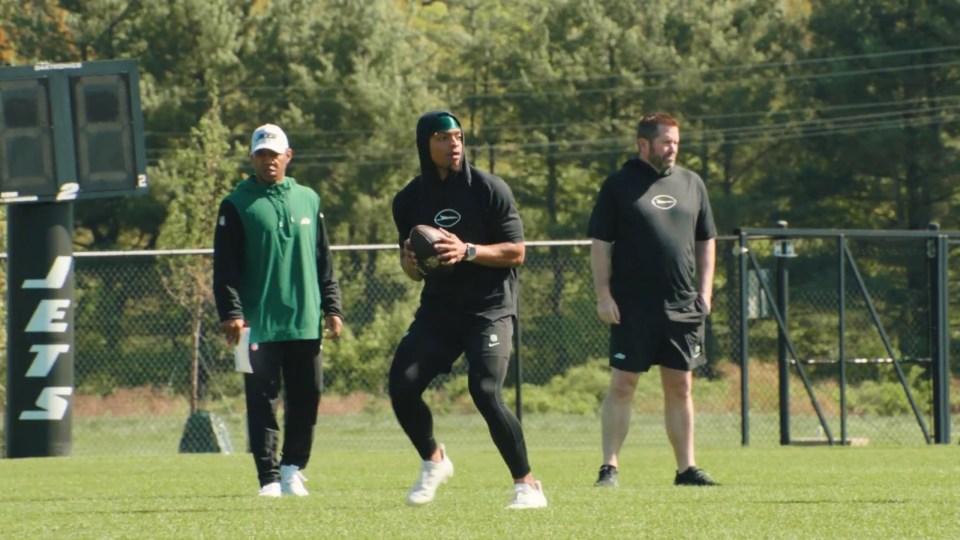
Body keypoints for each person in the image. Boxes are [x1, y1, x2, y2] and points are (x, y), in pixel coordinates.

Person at [388, 110, 547, 509]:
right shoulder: (409, 200)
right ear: (426, 144)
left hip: (488, 310)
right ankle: (433, 461)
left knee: (486, 391)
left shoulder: (489, 189)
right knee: (402, 385)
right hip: (439, 312)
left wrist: (468, 250)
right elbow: (414, 272)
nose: (454, 144)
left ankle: (527, 486)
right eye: (443, 137)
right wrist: (410, 263)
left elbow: (517, 252)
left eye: (457, 135)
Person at [587, 113, 719, 488]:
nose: (672, 147)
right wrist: (603, 296)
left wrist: (705, 294)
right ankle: (609, 468)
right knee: (623, 385)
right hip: (631, 307)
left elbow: (707, 240)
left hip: (682, 307)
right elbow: (600, 244)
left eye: (676, 141)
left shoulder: (692, 184)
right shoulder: (617, 186)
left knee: (681, 386)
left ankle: (686, 469)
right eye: (665, 142)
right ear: (643, 145)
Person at [213, 123, 343, 497]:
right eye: (261, 154)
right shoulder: (236, 204)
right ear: (252, 158)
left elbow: (324, 261)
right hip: (255, 324)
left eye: (275, 154)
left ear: (288, 156)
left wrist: (332, 306)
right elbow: (225, 267)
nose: (269, 161)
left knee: (307, 398)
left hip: (304, 320)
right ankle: (268, 477)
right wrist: (230, 314)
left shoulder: (308, 199)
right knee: (261, 403)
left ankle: (291, 467)